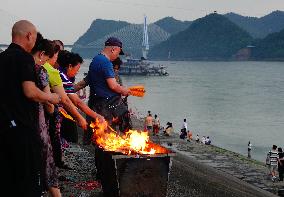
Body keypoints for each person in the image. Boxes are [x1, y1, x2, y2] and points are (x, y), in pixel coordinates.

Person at [0, 20, 60, 197]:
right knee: (28, 182)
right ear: (29, 36)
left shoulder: (2, 58)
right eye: (34, 37)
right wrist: (51, 97)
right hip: (23, 130)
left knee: (7, 181)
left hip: (3, 127)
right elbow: (30, 91)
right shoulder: (24, 58)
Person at [43, 41, 87, 169]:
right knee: (54, 137)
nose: (57, 58)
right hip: (51, 112)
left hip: (50, 111)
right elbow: (68, 100)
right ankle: (55, 164)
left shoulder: (42, 69)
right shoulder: (53, 72)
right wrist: (80, 117)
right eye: (57, 55)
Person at [31, 34, 61, 197]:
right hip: (38, 123)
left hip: (16, 124)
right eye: (47, 58)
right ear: (41, 54)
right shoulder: (39, 70)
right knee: (47, 164)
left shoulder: (19, 65)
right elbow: (49, 106)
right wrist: (52, 100)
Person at [57, 50, 105, 143]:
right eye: (77, 69)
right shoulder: (62, 76)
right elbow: (77, 102)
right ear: (70, 66)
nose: (77, 72)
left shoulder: (60, 74)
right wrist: (96, 116)